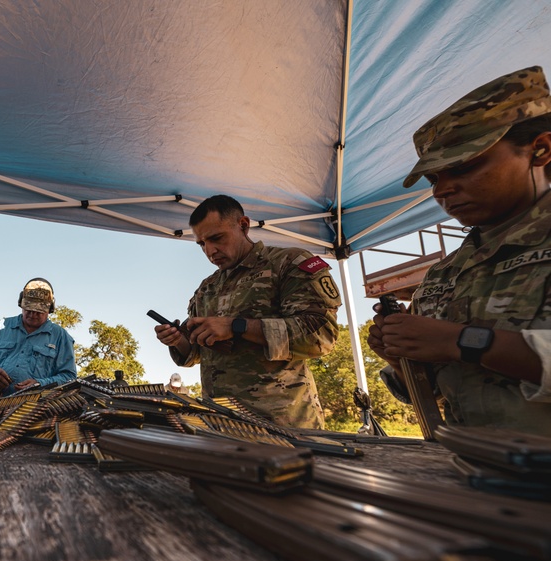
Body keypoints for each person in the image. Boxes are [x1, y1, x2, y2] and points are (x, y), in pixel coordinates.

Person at [368, 66, 551, 435]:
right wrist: (402, 354)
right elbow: (437, 389)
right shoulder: (445, 273)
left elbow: (455, 346)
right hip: (475, 476)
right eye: (435, 178)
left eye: (465, 166)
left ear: (541, 149)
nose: (441, 190)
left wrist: (458, 340)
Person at [154, 195, 341, 429]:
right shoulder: (207, 287)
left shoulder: (288, 263)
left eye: (216, 238)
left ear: (243, 225)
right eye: (202, 244)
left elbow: (321, 336)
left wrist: (236, 327)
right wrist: (178, 341)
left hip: (284, 425)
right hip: (220, 423)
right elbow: (199, 354)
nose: (210, 250)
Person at [0, 278, 77, 396]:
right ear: (20, 303)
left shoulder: (60, 336)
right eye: (28, 309)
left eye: (38, 311)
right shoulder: (2, 327)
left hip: (39, 407)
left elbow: (69, 377)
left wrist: (40, 384)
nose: (33, 314)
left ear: (50, 309)